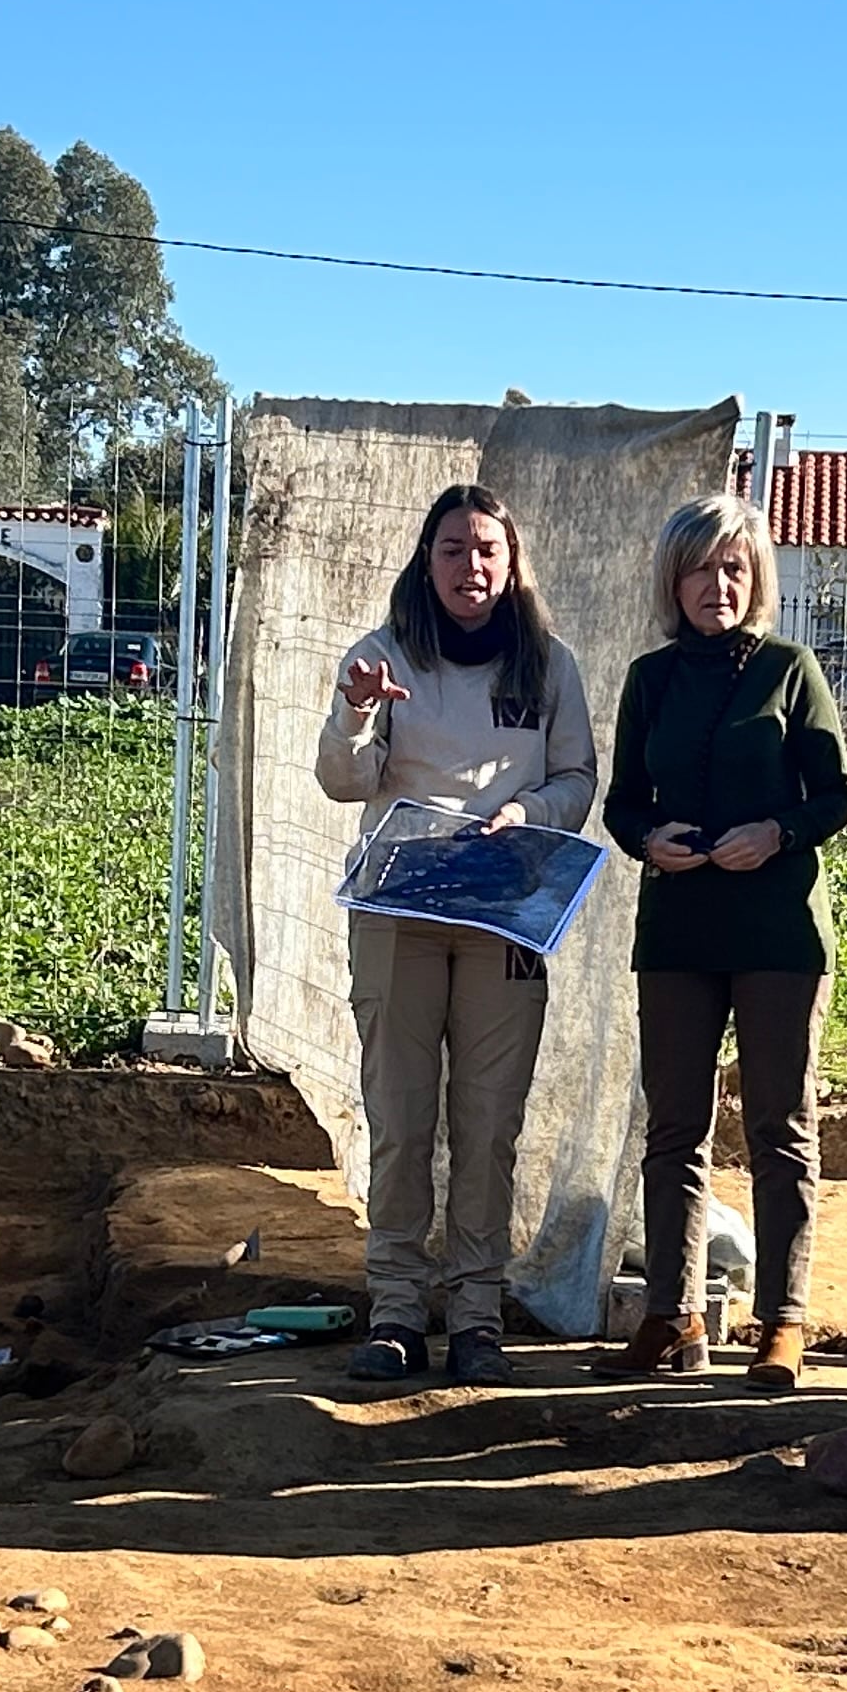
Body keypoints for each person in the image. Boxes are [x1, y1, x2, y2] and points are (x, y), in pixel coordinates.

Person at [315, 482, 600, 1385]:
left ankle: (477, 1317)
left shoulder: (548, 666)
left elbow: (577, 779)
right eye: (452, 549)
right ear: (426, 561)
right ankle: (397, 1311)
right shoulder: (381, 656)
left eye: (486, 549)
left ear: (512, 563)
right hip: (399, 912)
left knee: (487, 1125)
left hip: (500, 914)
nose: (469, 566)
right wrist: (357, 710)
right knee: (401, 1121)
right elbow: (342, 780)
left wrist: (528, 812)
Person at [601, 493, 847, 1387]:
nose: (719, 584)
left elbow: (837, 796)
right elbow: (622, 800)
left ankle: (781, 1321)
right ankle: (673, 1316)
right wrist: (648, 840)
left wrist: (777, 833)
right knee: (674, 1126)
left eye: (735, 568)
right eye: (702, 568)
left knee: (780, 1125)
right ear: (673, 580)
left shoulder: (791, 669)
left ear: (757, 580)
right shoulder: (649, 679)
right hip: (678, 928)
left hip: (778, 930)